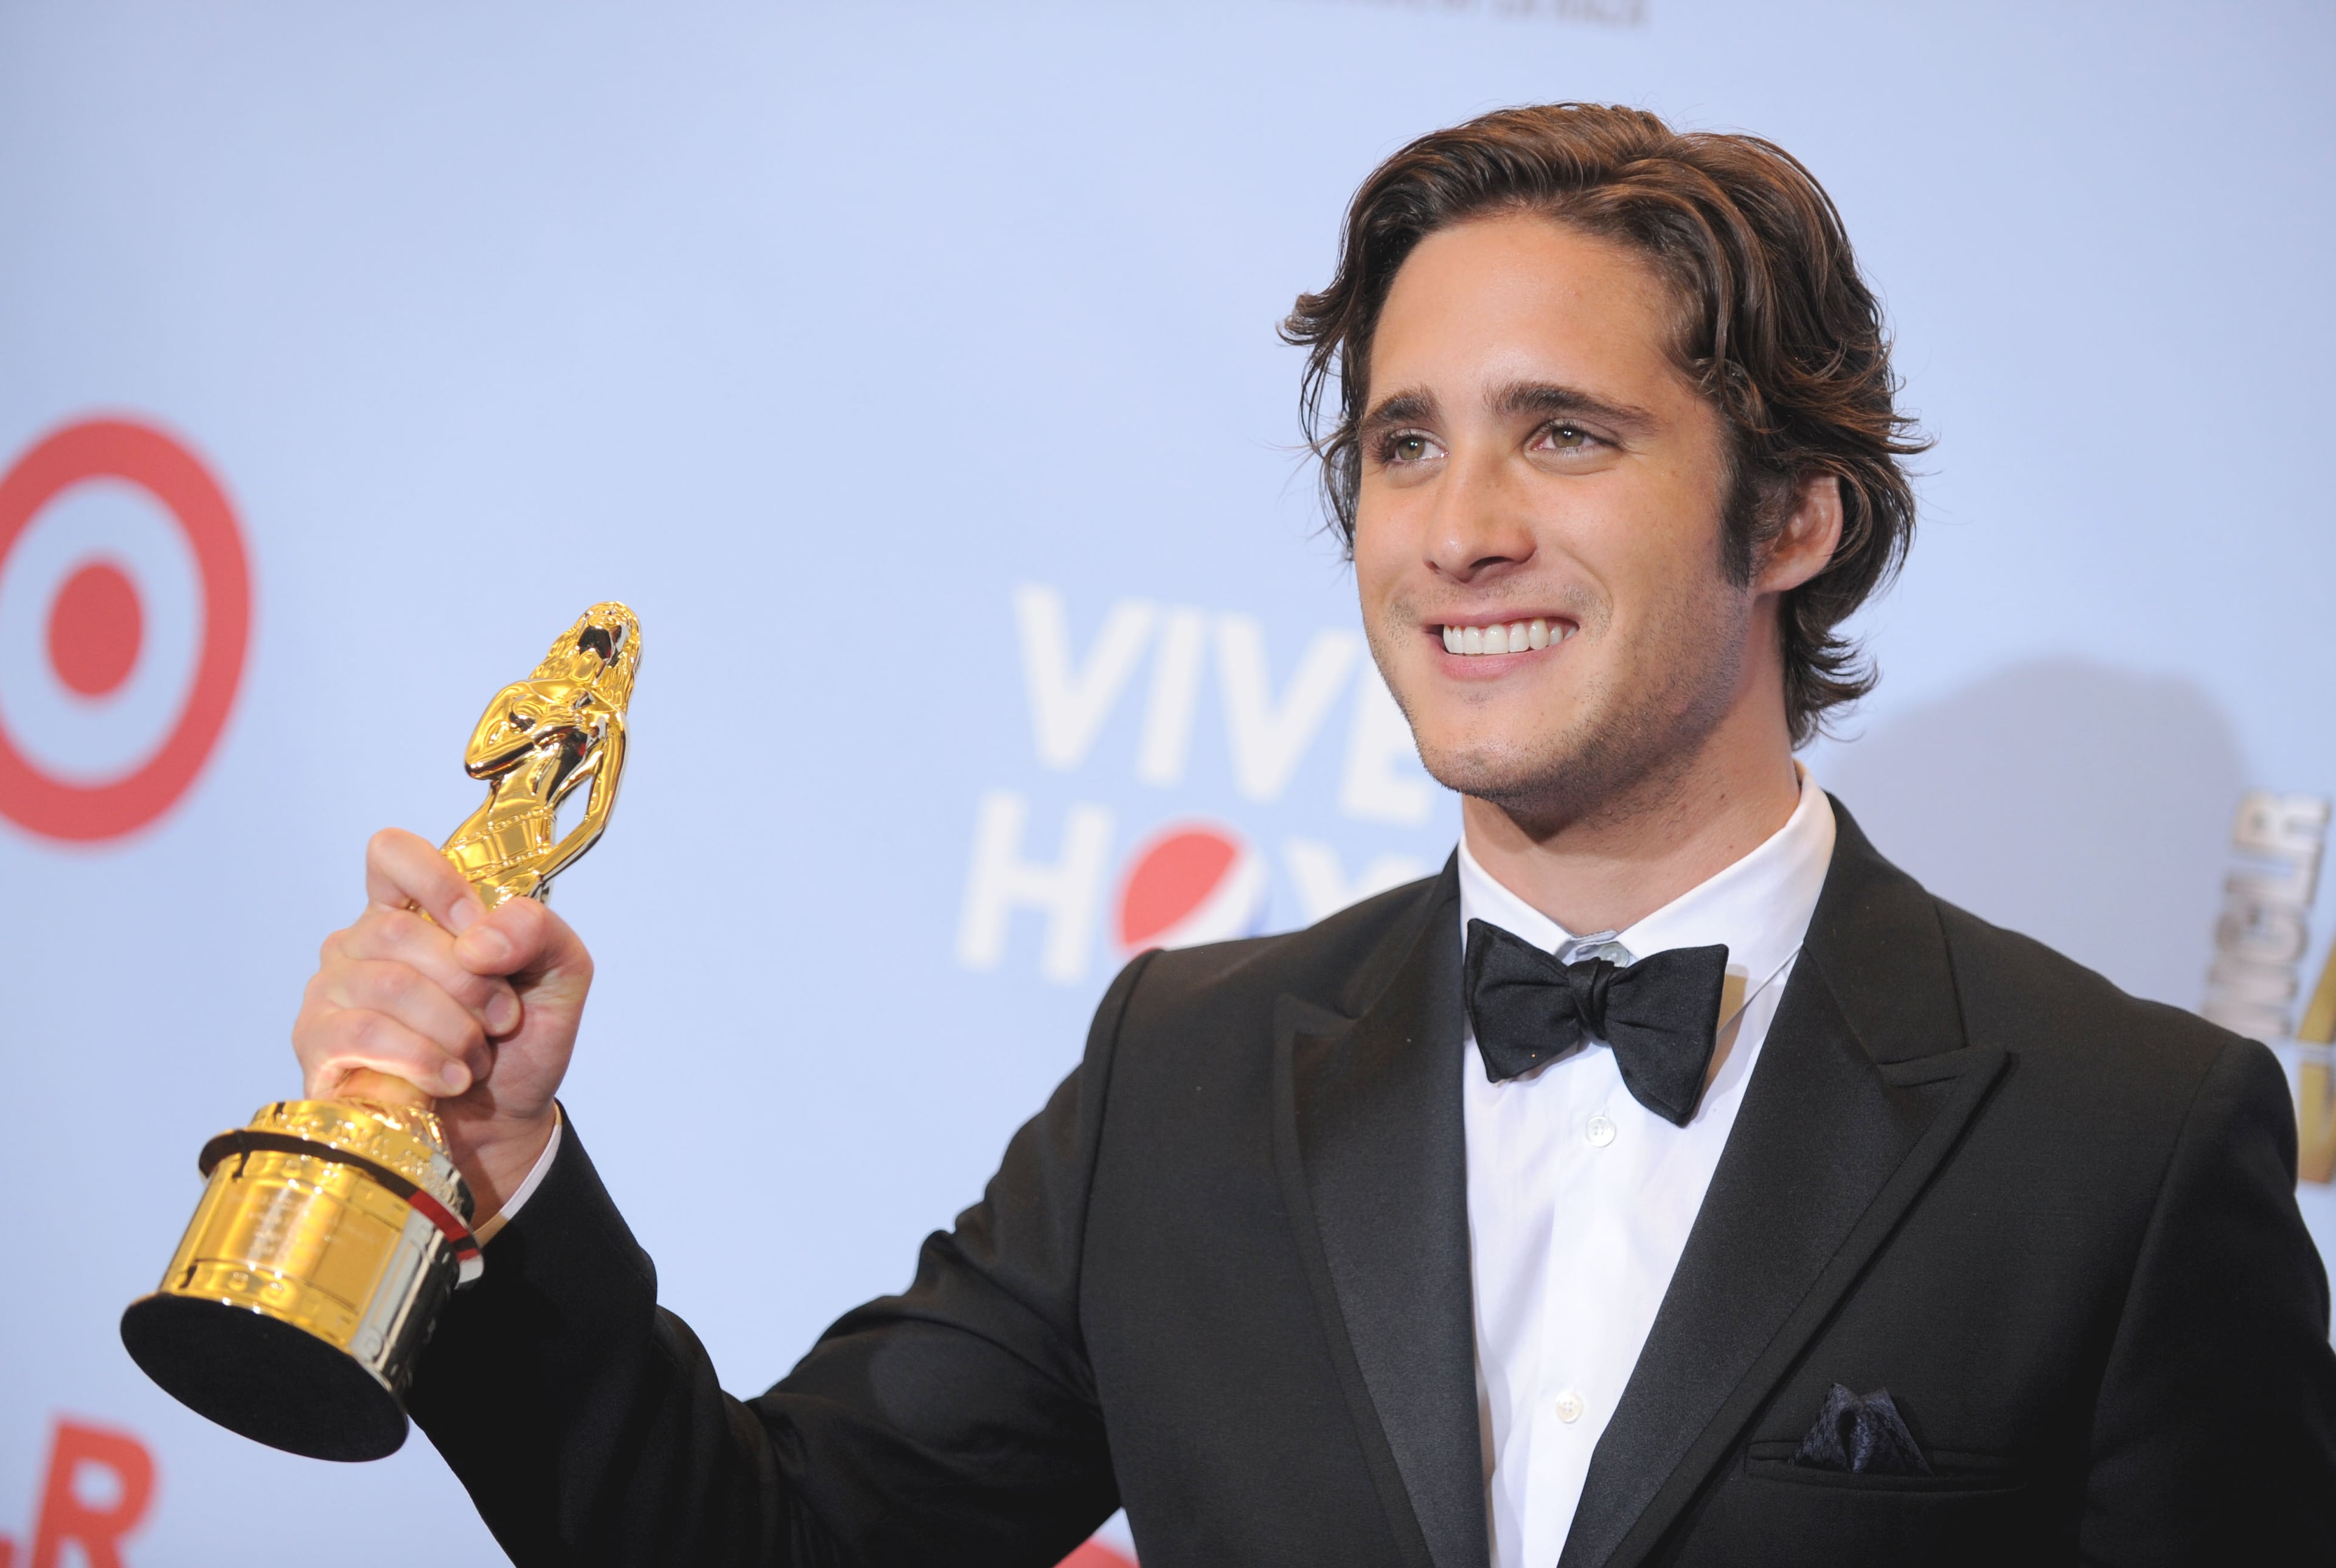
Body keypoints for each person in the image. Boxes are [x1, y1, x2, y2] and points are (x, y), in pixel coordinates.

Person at [292, 104, 2336, 1566]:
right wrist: (492, 1172)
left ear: (1792, 515)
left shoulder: (2125, 1141)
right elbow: (761, 1538)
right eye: (1402, 443)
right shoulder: (1185, 1073)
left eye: (1567, 431)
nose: (1458, 532)